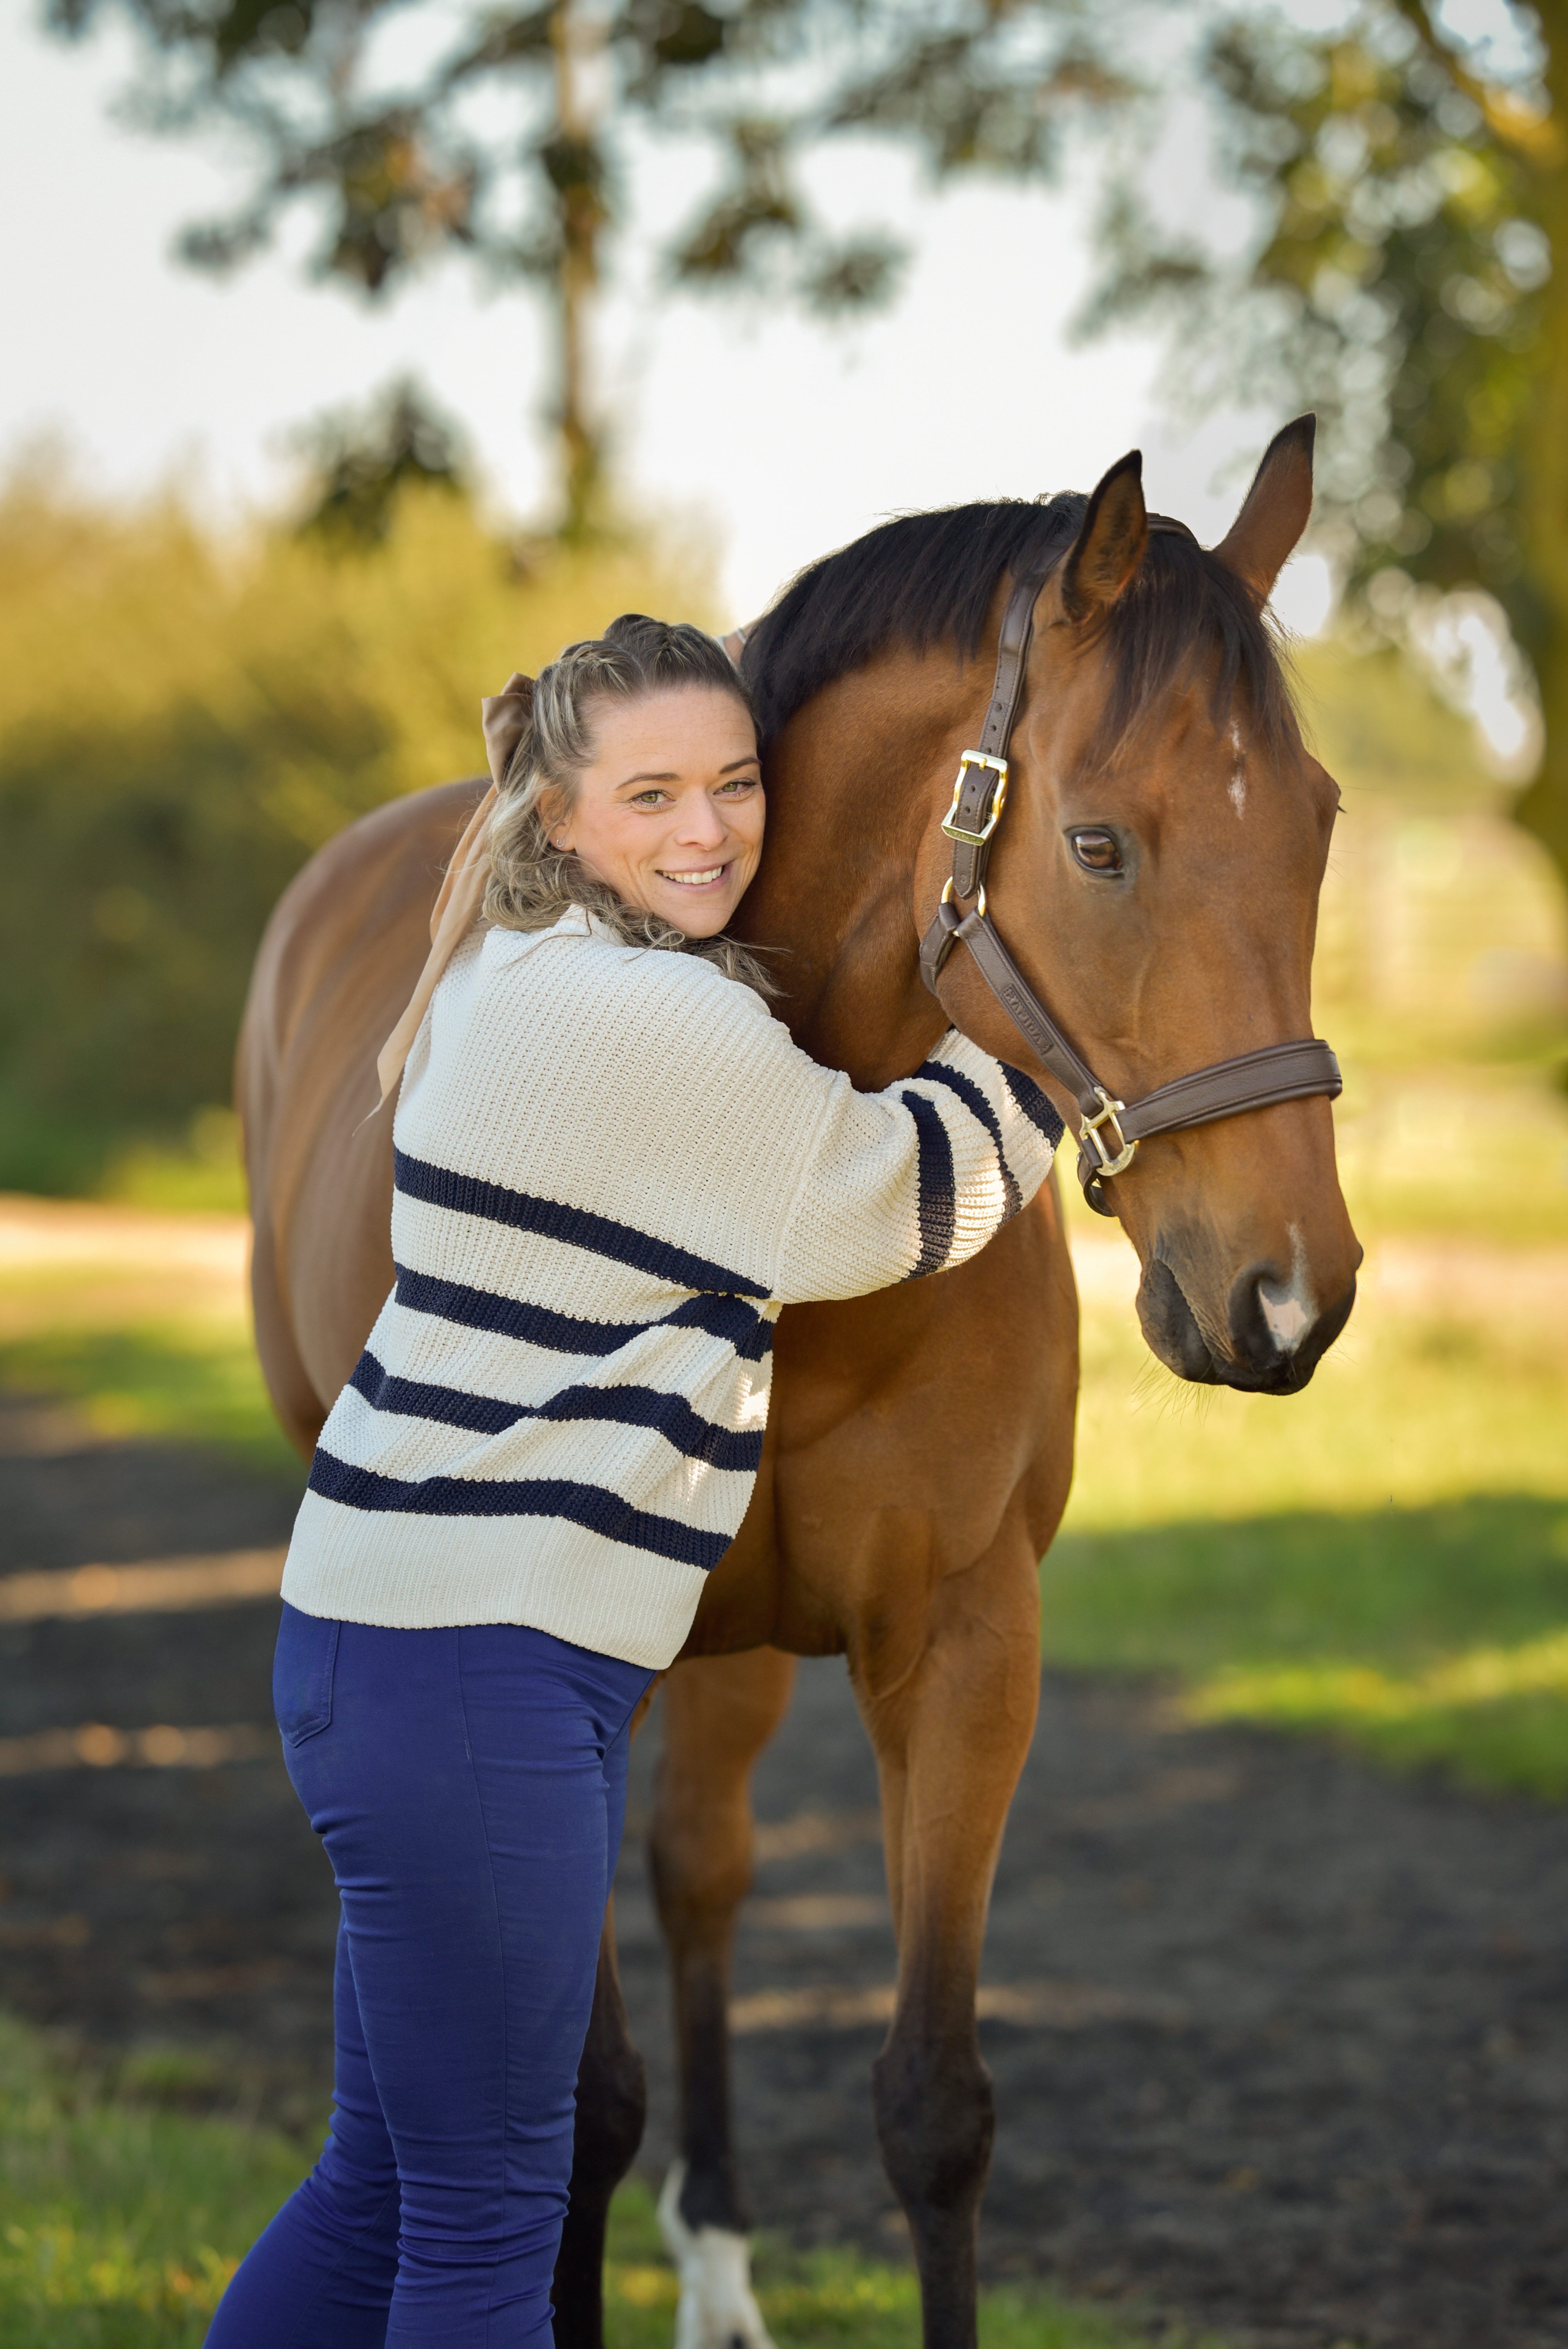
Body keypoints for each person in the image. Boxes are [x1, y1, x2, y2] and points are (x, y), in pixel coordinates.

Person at [206, 615, 1061, 2349]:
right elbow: (885, 1202)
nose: (708, 831)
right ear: (558, 816)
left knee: (379, 2185)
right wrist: (1060, 1039)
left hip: (399, 1651)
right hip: (476, 1682)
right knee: (486, 2223)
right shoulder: (646, 1021)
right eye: (652, 794)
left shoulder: (514, 975)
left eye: (737, 784)